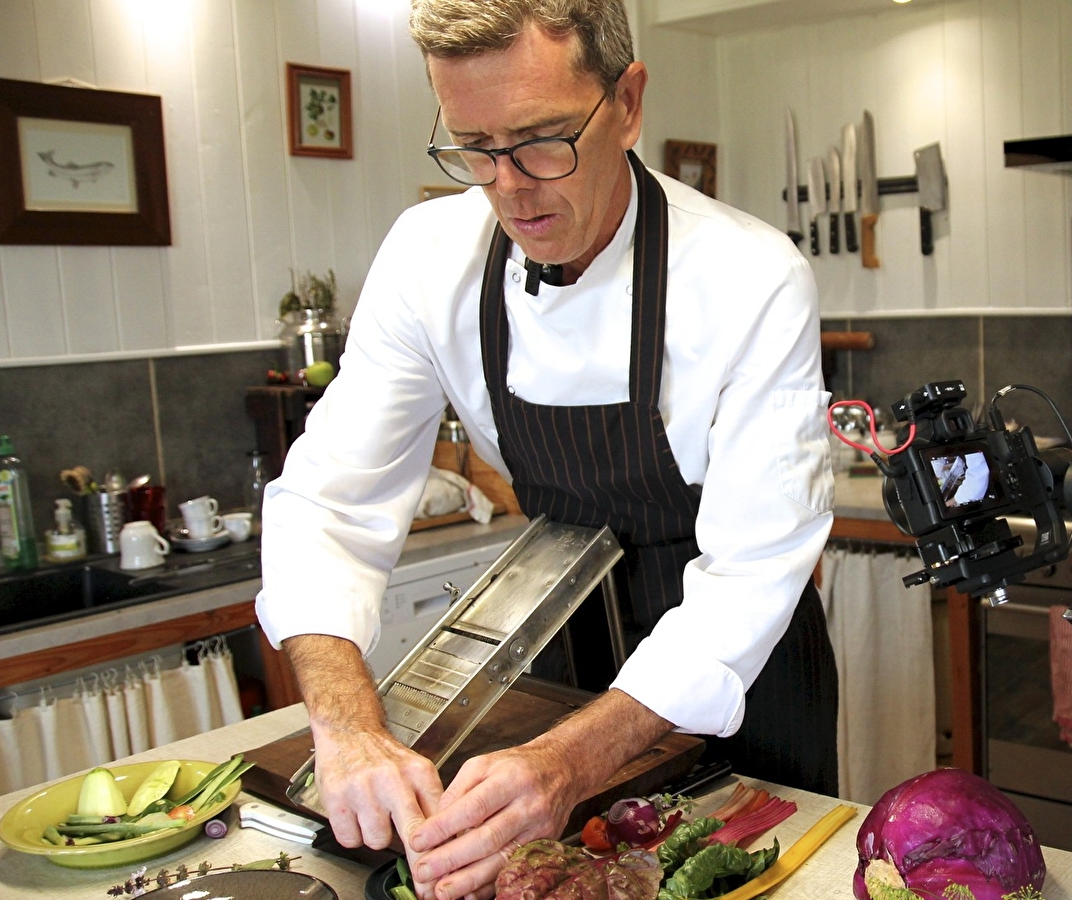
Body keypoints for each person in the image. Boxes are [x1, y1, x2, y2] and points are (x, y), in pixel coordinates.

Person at [253, 3, 838, 899]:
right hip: (562, 648)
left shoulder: (750, 278)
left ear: (629, 101)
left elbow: (755, 569)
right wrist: (345, 724)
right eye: (473, 147)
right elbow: (331, 501)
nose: (511, 187)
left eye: (541, 140)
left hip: (744, 668)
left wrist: (567, 765)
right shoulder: (427, 258)